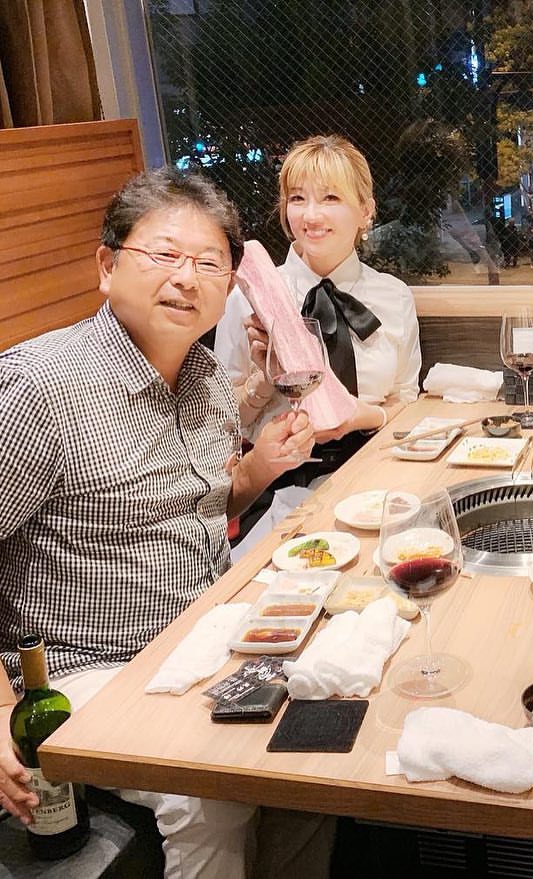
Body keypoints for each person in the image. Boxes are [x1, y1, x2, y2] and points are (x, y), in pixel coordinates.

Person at [0, 168, 330, 877]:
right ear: (106, 265)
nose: (187, 278)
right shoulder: (38, 388)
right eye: (164, 255)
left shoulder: (205, 377)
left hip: (206, 634)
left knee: (319, 740)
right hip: (88, 665)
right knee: (205, 782)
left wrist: (258, 470)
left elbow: (204, 507)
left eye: (210, 263)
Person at [214, 134, 421, 538]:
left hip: (377, 478)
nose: (311, 216)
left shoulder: (394, 297)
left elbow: (407, 402)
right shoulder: (248, 298)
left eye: (330, 198)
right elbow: (221, 423)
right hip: (278, 491)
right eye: (297, 199)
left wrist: (362, 417)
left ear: (365, 211)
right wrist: (265, 379)